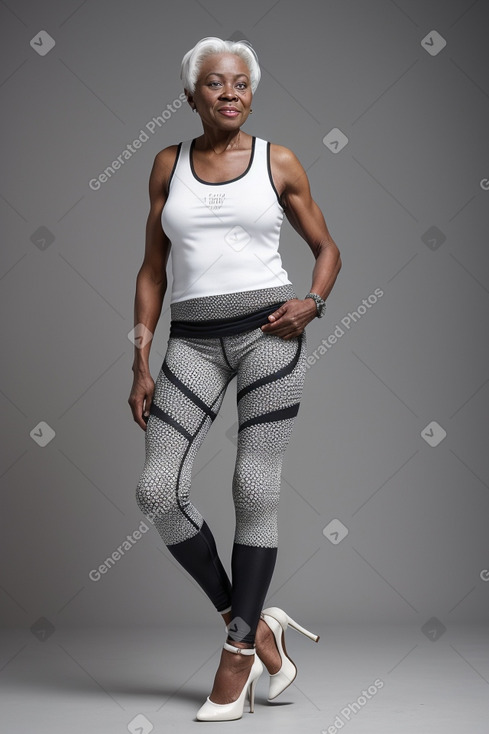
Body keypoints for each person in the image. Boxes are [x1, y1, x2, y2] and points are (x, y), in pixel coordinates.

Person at [128, 36, 342, 722]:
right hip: (189, 342)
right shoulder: (167, 163)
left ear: (251, 93)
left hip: (267, 337)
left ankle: (238, 650)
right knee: (158, 489)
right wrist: (139, 358)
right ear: (190, 95)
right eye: (215, 83)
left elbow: (327, 248)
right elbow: (152, 270)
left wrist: (312, 301)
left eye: (241, 83)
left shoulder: (278, 160)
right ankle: (253, 621)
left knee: (254, 485)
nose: (229, 92)